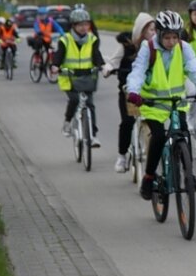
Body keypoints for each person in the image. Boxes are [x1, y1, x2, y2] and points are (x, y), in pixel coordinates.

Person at [126, 10, 196, 200]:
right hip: (153, 103)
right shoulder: (148, 48)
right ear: (159, 34)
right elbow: (137, 71)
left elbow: (195, 70)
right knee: (159, 137)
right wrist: (133, 91)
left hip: (177, 102)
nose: (171, 42)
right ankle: (149, 176)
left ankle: (188, 175)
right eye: (167, 37)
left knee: (183, 134)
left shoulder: (184, 48)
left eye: (175, 37)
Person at [103, 12, 155, 173]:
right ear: (140, 31)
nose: (154, 33)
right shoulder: (126, 46)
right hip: (128, 92)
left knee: (154, 124)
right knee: (127, 122)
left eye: (155, 30)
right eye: (150, 30)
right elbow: (113, 61)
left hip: (149, 92)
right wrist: (109, 68)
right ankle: (122, 156)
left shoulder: (157, 46)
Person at [51, 9, 105, 147]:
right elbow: (59, 55)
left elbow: (96, 55)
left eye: (86, 24)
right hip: (70, 77)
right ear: (73, 26)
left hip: (87, 77)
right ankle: (68, 122)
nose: (83, 28)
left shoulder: (92, 39)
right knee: (74, 100)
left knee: (90, 105)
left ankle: (93, 136)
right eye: (80, 25)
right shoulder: (65, 40)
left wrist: (102, 65)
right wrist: (55, 66)